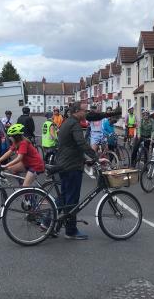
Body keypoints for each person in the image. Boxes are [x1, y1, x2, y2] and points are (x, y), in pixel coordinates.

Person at [56, 102, 97, 240]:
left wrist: (85, 159)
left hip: (65, 163)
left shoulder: (67, 122)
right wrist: (95, 156)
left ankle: (47, 221)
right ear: (77, 111)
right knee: (72, 200)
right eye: (85, 111)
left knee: (64, 197)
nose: (86, 113)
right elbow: (81, 143)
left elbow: (71, 146)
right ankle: (71, 231)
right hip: (71, 166)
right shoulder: (75, 124)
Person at [0, 124, 44, 188]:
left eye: (10, 136)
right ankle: (22, 184)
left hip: (35, 165)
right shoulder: (16, 143)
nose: (9, 138)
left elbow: (19, 158)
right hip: (27, 163)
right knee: (11, 169)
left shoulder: (23, 143)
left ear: (16, 137)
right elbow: (8, 153)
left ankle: (29, 193)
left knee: (25, 188)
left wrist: (5, 165)